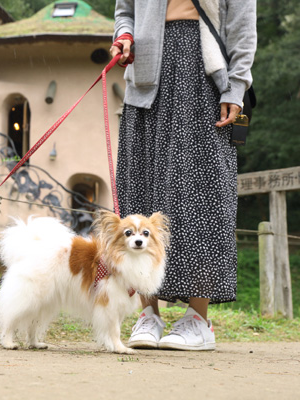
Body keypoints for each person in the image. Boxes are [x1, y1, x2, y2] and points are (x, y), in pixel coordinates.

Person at [110, 0, 257, 350]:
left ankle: (198, 319)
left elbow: (242, 25)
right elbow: (124, 10)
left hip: (203, 76)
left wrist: (236, 87)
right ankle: (148, 313)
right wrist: (124, 35)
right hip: (146, 76)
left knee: (200, 193)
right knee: (142, 187)